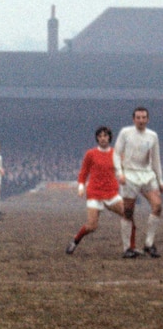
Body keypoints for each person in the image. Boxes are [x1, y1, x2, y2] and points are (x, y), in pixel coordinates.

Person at [66, 126, 125, 255]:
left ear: (109, 137)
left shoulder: (116, 154)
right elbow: (84, 171)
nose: (103, 138)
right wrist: (81, 186)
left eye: (105, 135)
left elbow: (125, 170)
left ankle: (129, 248)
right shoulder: (91, 154)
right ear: (97, 138)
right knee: (92, 226)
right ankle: (75, 241)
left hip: (111, 193)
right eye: (100, 136)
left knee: (128, 215)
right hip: (95, 193)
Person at [114, 106, 162, 258]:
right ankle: (127, 248)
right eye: (138, 118)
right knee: (128, 211)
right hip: (130, 175)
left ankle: (149, 244)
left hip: (147, 175)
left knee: (157, 206)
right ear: (133, 119)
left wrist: (160, 179)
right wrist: (119, 173)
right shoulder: (125, 133)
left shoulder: (152, 136)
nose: (141, 120)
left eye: (143, 118)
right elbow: (116, 154)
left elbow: (156, 159)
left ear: (147, 119)